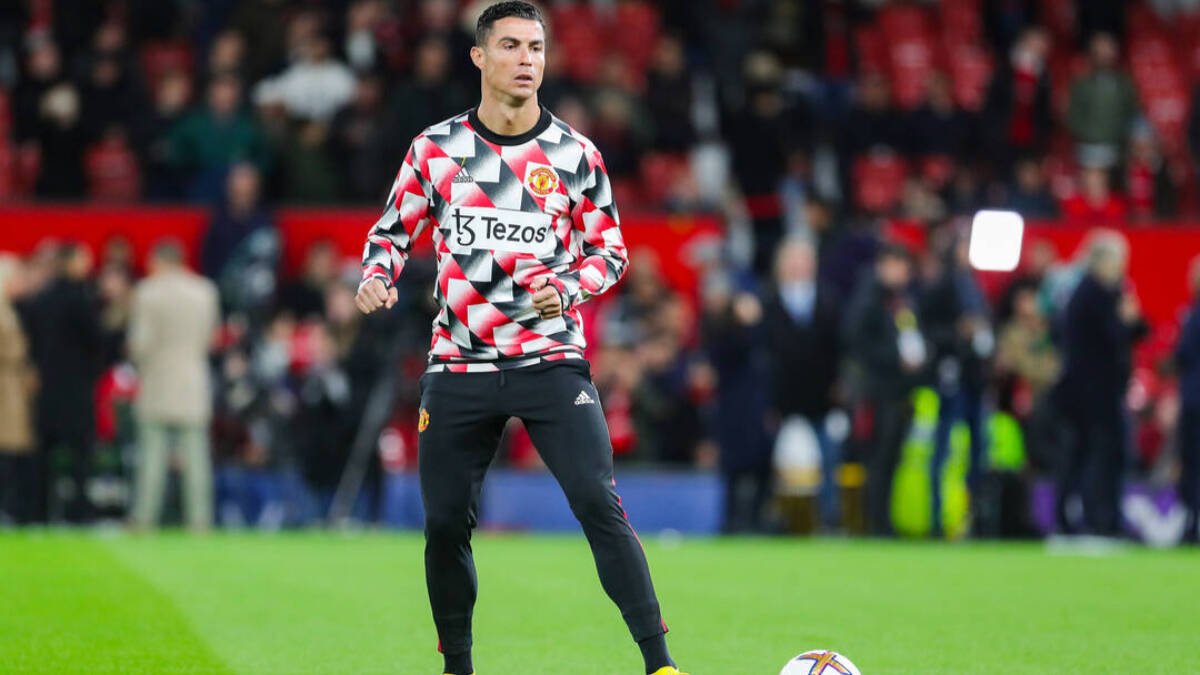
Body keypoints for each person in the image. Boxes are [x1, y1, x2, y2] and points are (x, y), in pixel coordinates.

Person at [353, 4, 685, 675]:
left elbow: (611, 252)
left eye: (536, 46)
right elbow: (390, 234)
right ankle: (458, 667)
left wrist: (569, 285)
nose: (527, 58)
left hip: (551, 360)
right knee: (445, 523)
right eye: (510, 45)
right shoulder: (436, 149)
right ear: (479, 57)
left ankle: (660, 664)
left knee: (598, 500)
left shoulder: (574, 154)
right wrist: (376, 277)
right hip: (459, 363)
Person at [1054, 233, 1147, 536]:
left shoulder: (1091, 292)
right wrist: (1128, 321)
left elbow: (1136, 330)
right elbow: (1116, 336)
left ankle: (1084, 517)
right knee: (1100, 454)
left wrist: (1131, 321)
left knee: (1086, 454)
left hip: (1092, 390)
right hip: (1094, 392)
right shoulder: (1094, 294)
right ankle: (1099, 519)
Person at [127, 241, 220, 531]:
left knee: (152, 456)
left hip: (157, 381)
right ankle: (200, 521)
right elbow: (211, 339)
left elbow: (139, 344)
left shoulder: (147, 292)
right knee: (197, 458)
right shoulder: (205, 291)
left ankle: (144, 519)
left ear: (159, 261)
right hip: (193, 380)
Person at [843, 243, 926, 536]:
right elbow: (858, 343)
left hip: (900, 393)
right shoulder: (869, 299)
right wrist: (896, 358)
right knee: (876, 459)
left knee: (891, 460)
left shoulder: (903, 301)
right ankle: (873, 523)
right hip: (876, 394)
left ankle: (883, 521)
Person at [0, 256, 37, 524]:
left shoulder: (9, 309)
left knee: (11, 450)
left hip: (11, 384)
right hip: (5, 386)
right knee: (6, 450)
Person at [1175, 255, 1200, 544]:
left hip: (1194, 399)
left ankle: (1192, 521)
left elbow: (1183, 355)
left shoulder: (1193, 314)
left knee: (1192, 462)